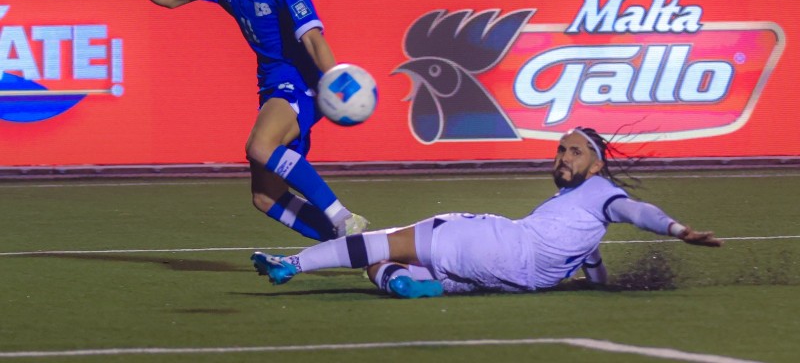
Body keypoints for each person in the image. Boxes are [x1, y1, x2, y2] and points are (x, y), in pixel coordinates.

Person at [122, 0, 368, 241]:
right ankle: (351, 244)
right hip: (271, 84)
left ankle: (341, 216)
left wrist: (335, 81)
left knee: (259, 146)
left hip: (302, 82)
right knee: (265, 198)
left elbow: (312, 37)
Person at [251, 127, 722, 298]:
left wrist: (678, 230)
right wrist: (597, 283)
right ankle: (407, 285)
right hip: (512, 279)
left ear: (597, 164)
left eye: (574, 152)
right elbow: (594, 271)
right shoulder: (582, 214)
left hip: (501, 244)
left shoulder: (603, 193)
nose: (562, 157)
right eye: (560, 150)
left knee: (387, 239)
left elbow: (638, 211)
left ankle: (289, 265)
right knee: (383, 265)